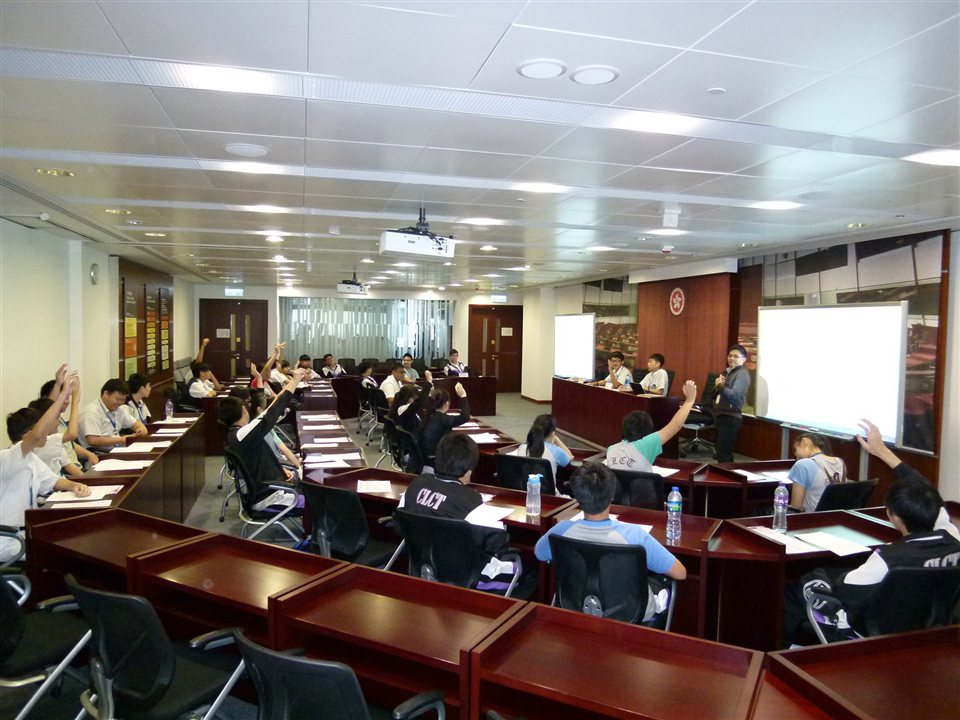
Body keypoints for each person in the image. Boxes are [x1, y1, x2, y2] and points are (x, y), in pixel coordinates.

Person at [782, 476, 960, 646]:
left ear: (893, 516)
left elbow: (846, 591)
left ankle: (785, 652)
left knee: (800, 584)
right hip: (927, 626)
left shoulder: (888, 557)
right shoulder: (955, 543)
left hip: (870, 631)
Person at [535, 462, 686, 621]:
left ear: (577, 497)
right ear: (612, 495)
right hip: (632, 614)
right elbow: (680, 573)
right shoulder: (635, 535)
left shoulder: (561, 530)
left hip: (575, 605)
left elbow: (539, 552)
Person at [399, 433, 532, 596]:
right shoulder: (470, 501)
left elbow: (400, 526)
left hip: (422, 568)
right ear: (468, 470)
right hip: (466, 577)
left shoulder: (416, 485)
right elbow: (497, 545)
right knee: (529, 572)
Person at [2, 367, 90, 563]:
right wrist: (64, 394)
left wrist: (74, 485)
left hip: (26, 532)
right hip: (10, 540)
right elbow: (37, 435)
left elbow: (55, 481)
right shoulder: (9, 457)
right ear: (27, 435)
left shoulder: (32, 458)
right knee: (67, 549)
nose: (49, 431)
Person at [218, 368, 307, 510]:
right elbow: (273, 411)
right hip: (271, 496)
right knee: (318, 499)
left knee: (310, 489)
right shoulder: (244, 434)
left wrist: (280, 470)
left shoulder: (235, 435)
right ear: (243, 411)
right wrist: (295, 380)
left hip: (268, 490)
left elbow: (270, 409)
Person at [856, 418, 958, 541]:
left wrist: (882, 451)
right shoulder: (949, 533)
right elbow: (921, 485)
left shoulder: (890, 554)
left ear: (894, 517)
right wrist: (881, 451)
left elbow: (921, 484)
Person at [605, 380, 698, 472]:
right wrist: (689, 401)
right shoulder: (646, 445)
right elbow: (675, 425)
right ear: (648, 430)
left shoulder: (611, 449)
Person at [79, 378, 148, 449]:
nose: (120, 403)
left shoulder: (119, 409)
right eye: (118, 399)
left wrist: (141, 430)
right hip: (101, 452)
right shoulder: (92, 412)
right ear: (106, 394)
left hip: (118, 449)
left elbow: (137, 425)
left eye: (123, 400)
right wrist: (123, 439)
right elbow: (93, 440)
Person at [787, 432, 848, 512]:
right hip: (836, 517)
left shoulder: (802, 465)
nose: (796, 457)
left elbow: (795, 507)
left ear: (804, 442)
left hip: (811, 518)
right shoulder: (840, 462)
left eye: (795, 450)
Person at [713, 344, 750, 463]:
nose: (732, 358)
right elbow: (715, 394)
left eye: (736, 356)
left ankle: (726, 474)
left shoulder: (742, 374)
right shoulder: (727, 372)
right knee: (720, 452)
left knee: (724, 454)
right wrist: (717, 386)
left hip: (731, 417)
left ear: (743, 359)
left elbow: (735, 395)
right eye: (730, 355)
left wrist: (720, 386)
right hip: (720, 415)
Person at [512, 414, 573, 482]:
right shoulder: (556, 451)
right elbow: (570, 457)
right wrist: (556, 438)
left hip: (525, 487)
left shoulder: (522, 447)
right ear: (552, 432)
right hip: (547, 489)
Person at [419, 384, 470, 460]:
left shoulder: (428, 415)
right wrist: (463, 396)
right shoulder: (442, 419)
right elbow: (465, 417)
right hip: (437, 456)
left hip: (426, 454)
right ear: (447, 403)